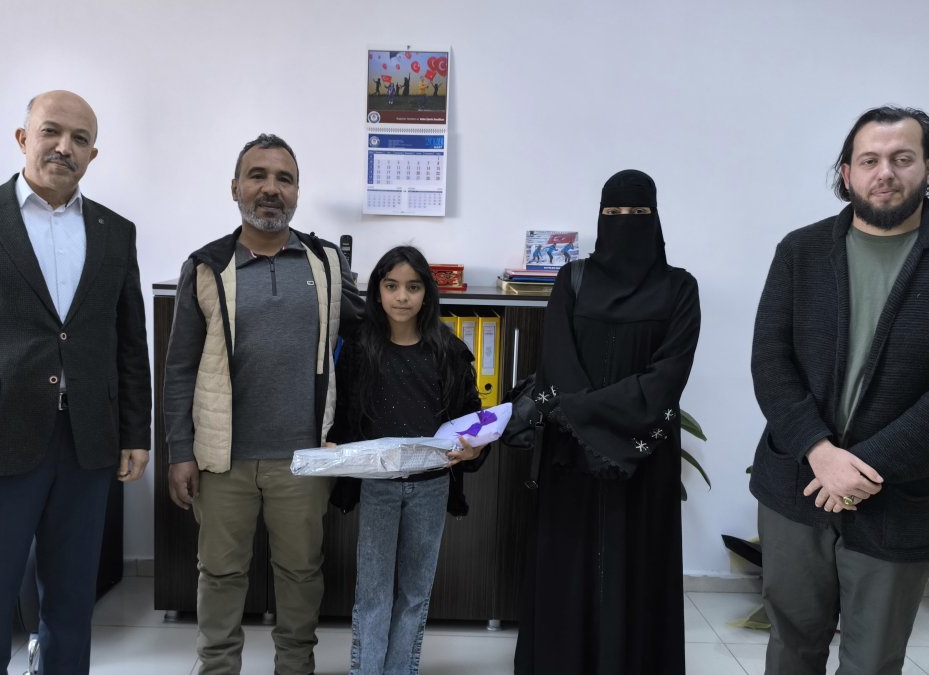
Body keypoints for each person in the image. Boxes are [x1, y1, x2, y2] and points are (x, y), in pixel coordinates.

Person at [750, 106, 929, 674]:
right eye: (869, 160)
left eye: (902, 158)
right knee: (791, 648)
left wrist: (859, 469)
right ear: (847, 173)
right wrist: (820, 452)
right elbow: (770, 362)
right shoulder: (800, 251)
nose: (884, 172)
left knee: (872, 662)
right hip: (798, 487)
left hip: (904, 498)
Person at [0, 90, 152, 674]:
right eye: (51, 132)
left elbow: (128, 342)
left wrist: (135, 432)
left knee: (71, 608)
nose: (64, 147)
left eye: (80, 139)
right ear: (23, 138)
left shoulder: (115, 232)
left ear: (94, 155)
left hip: (87, 447)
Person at [162, 133, 364, 675]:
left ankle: (295, 668)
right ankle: (218, 668)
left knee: (301, 575)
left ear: (297, 192)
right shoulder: (206, 266)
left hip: (303, 459)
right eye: (258, 176)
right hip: (223, 459)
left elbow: (372, 333)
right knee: (221, 575)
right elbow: (179, 367)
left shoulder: (324, 263)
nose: (270, 189)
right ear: (235, 188)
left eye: (284, 178)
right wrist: (180, 451)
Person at [514, 170, 701, 674]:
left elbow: (668, 376)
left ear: (655, 218)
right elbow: (556, 359)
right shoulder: (572, 279)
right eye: (613, 214)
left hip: (643, 455)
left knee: (637, 568)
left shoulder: (680, 288)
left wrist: (598, 427)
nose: (623, 223)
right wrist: (590, 429)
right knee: (567, 567)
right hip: (569, 454)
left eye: (636, 214)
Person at [327, 246, 486, 675]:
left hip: (431, 485)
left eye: (413, 287)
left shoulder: (448, 352)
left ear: (426, 294)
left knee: (415, 591)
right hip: (378, 485)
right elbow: (341, 414)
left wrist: (474, 447)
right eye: (392, 286)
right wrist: (332, 444)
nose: (402, 297)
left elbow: (471, 416)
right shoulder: (360, 348)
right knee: (373, 593)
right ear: (377, 292)